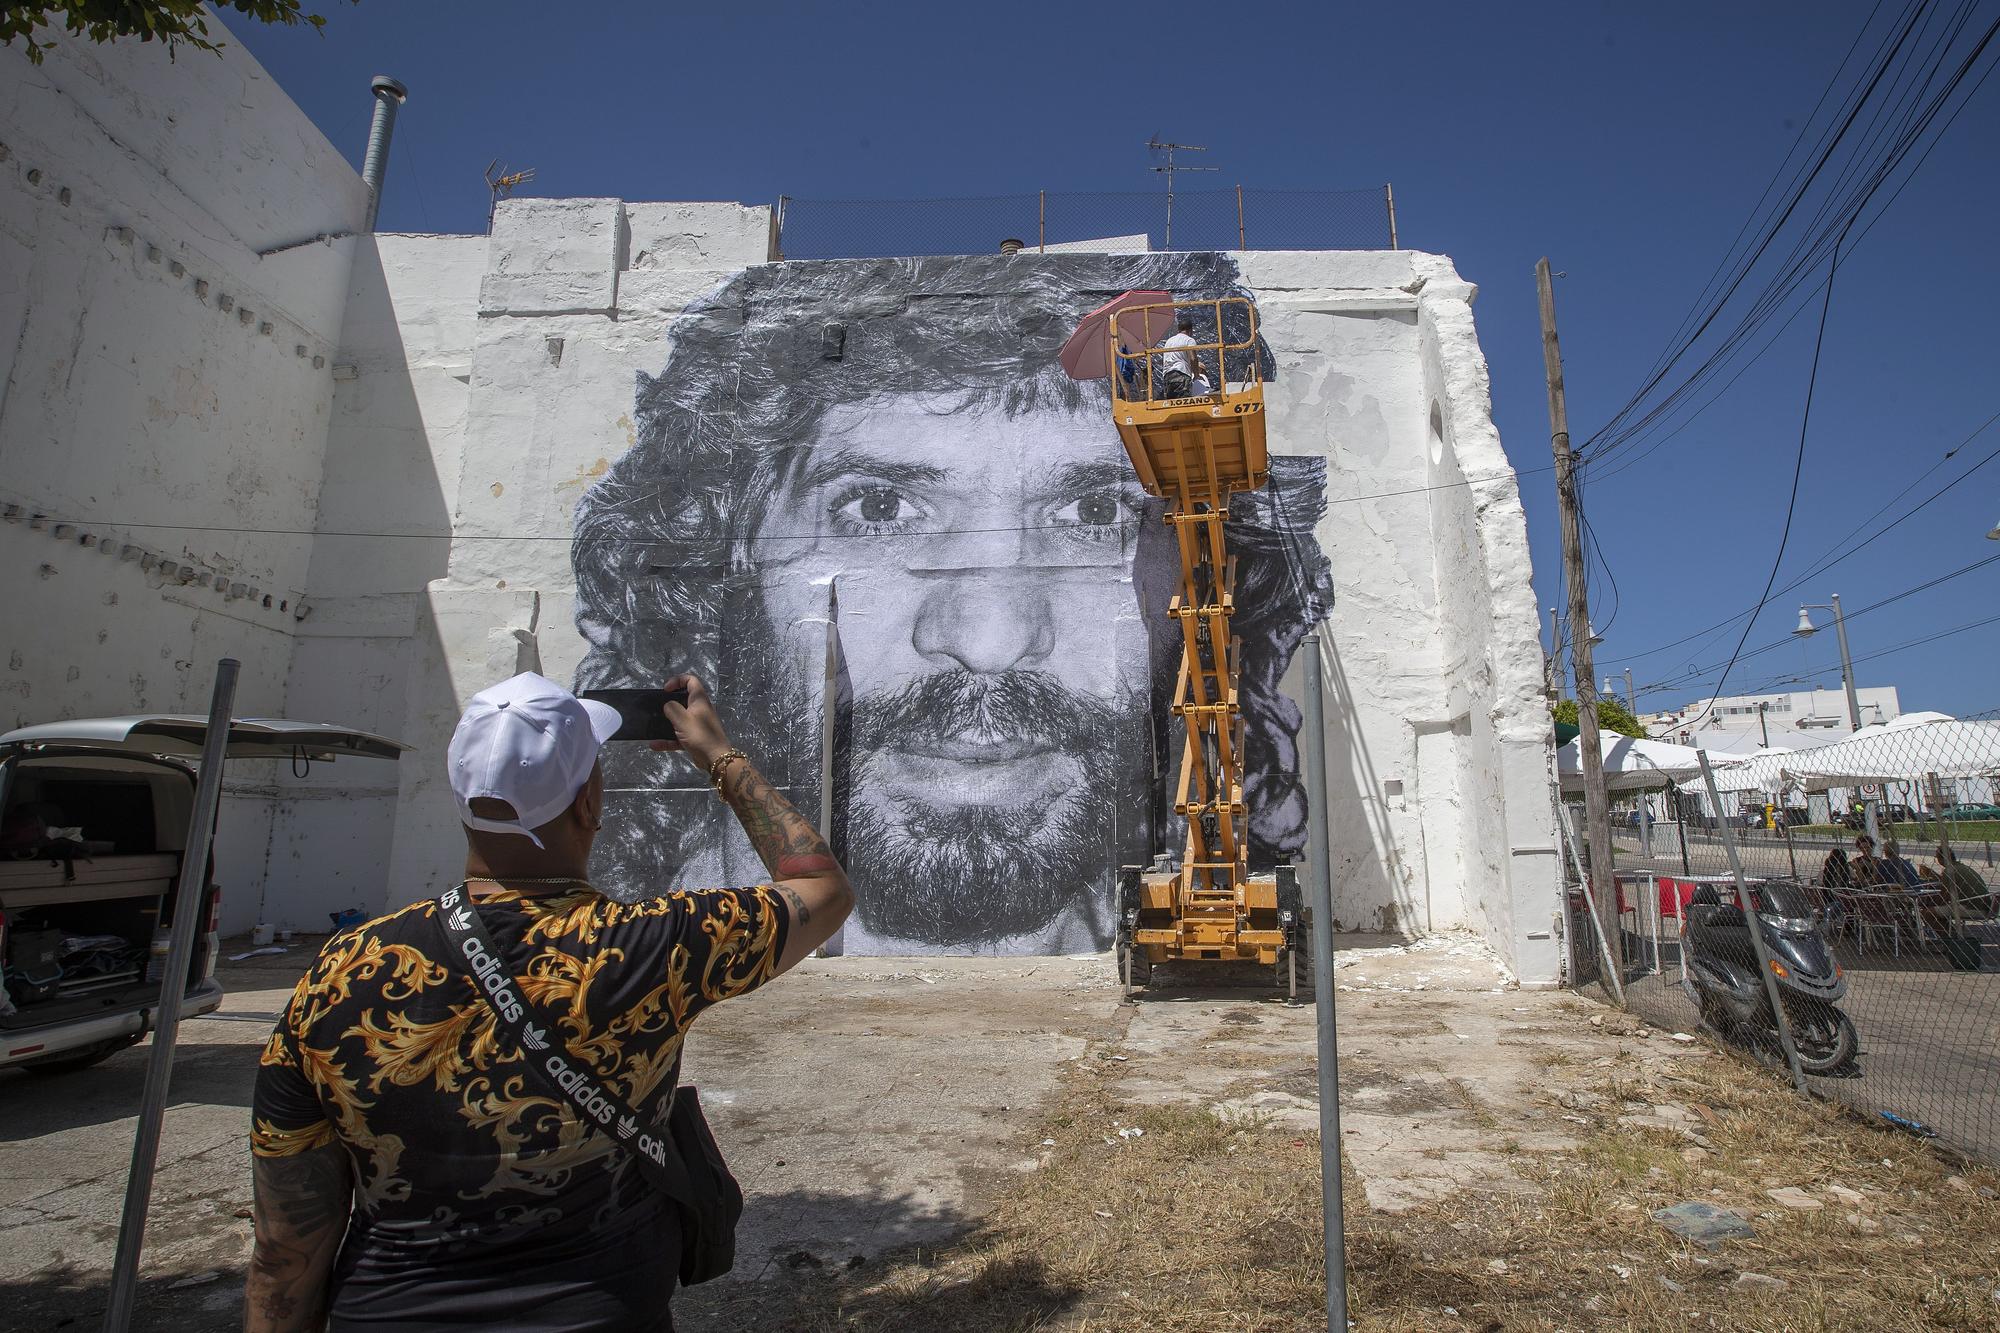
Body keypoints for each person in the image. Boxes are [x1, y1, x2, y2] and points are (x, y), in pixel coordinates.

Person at [570, 253, 1333, 955]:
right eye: (879, 507)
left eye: (1096, 511)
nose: (990, 637)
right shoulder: (625, 964)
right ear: (726, 553)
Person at [245, 672, 852, 1332]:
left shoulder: (340, 971)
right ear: (589, 803)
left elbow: (285, 1248)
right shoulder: (652, 947)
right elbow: (818, 884)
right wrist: (718, 754)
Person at [1153, 317, 1210, 398]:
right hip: (1181, 374)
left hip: (1167, 376)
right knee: (1183, 401)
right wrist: (1196, 375)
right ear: (1190, 330)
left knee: (1172, 403)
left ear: (1179, 330)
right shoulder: (1189, 340)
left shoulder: (1169, 341)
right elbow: (1193, 358)